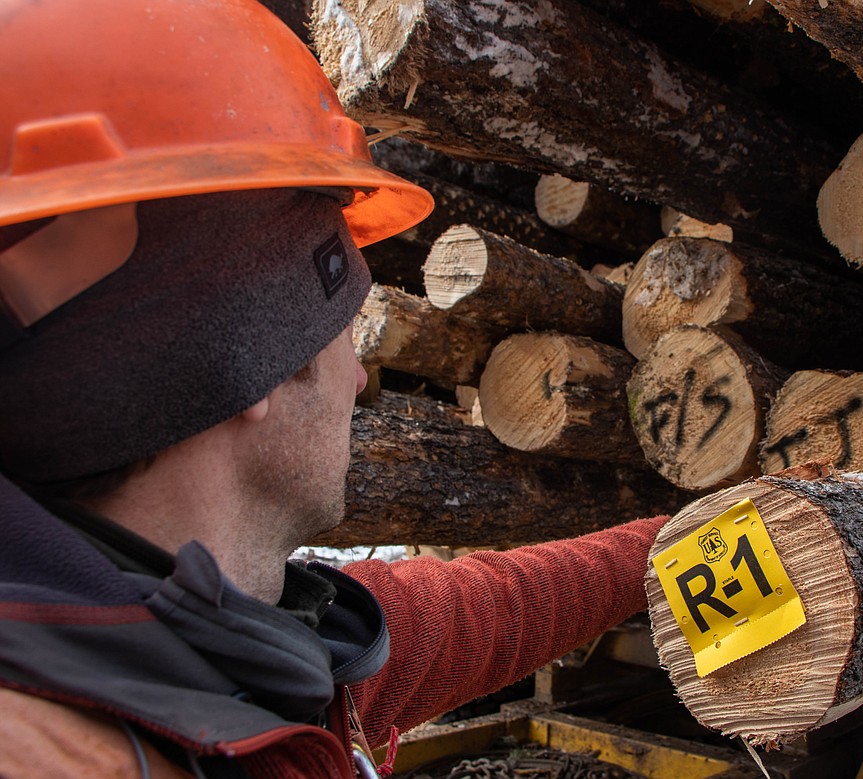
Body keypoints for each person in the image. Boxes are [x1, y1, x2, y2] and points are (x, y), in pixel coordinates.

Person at [0, 1, 670, 776]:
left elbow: (483, 610)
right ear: (247, 353)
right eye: (343, 327)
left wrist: (665, 546)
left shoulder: (209, 645)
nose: (358, 377)